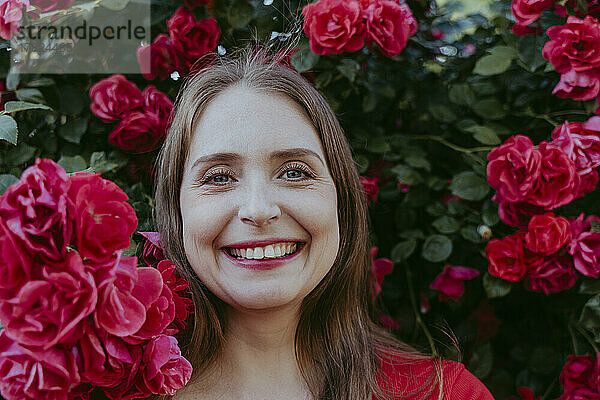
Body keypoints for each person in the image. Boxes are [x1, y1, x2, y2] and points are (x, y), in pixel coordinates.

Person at [153, 45, 494, 400]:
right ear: (176, 214)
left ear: (341, 202)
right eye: (219, 178)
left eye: (294, 172)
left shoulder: (445, 394)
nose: (258, 209)